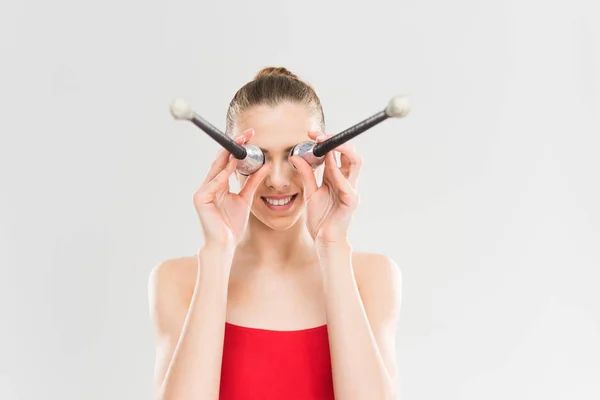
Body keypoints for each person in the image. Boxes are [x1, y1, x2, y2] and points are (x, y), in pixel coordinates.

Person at [148, 67, 403, 400]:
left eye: (298, 155)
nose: (278, 179)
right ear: (230, 160)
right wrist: (217, 250)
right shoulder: (177, 280)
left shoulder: (372, 277)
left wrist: (333, 245)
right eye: (256, 157)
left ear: (324, 155)